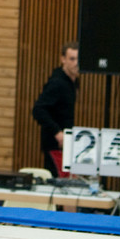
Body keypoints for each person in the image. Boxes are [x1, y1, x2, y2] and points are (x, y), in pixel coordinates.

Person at [32, 41, 79, 177]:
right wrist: (57, 132)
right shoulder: (57, 83)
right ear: (63, 59)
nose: (76, 63)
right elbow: (38, 109)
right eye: (72, 59)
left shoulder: (72, 82)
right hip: (54, 144)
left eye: (78, 59)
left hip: (64, 143)